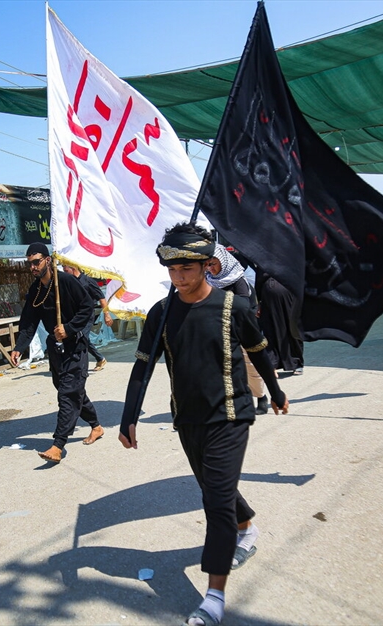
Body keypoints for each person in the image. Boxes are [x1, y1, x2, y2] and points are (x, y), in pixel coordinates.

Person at [118, 223, 289, 626]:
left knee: (214, 499)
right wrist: (129, 417)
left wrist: (276, 392)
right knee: (216, 487)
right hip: (188, 417)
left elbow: (259, 352)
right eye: (173, 269)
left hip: (231, 415)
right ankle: (247, 529)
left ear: (206, 266)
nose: (179, 277)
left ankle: (213, 597)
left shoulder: (234, 308)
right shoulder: (161, 313)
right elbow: (142, 368)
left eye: (187, 269)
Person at [9, 243, 104, 464]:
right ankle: (97, 426)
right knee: (71, 391)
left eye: (36, 262)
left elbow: (87, 307)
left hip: (75, 347)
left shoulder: (67, 282)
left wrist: (69, 328)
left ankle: (58, 445)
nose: (33, 267)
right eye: (29, 263)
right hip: (56, 350)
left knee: (67, 395)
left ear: (48, 260)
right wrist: (19, 347)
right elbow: (29, 321)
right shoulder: (35, 290)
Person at [205, 244, 270, 415]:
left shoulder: (238, 280)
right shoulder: (207, 281)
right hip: (218, 329)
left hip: (242, 329)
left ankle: (261, 397)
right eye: (208, 265)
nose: (211, 269)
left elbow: (243, 307)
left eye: (214, 264)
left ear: (223, 262)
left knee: (250, 365)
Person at [63, 263, 113, 371]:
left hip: (88, 314)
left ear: (73, 268)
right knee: (83, 338)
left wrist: (106, 314)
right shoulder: (70, 282)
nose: (64, 270)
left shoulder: (88, 281)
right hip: (75, 315)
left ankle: (79, 365)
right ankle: (100, 358)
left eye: (65, 269)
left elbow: (101, 298)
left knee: (82, 337)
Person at [256, 271, 304, 375]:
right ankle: (273, 364)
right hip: (268, 299)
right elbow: (259, 281)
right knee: (270, 330)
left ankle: (297, 363)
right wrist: (259, 302)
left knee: (291, 328)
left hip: (289, 297)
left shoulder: (289, 258)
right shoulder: (263, 260)